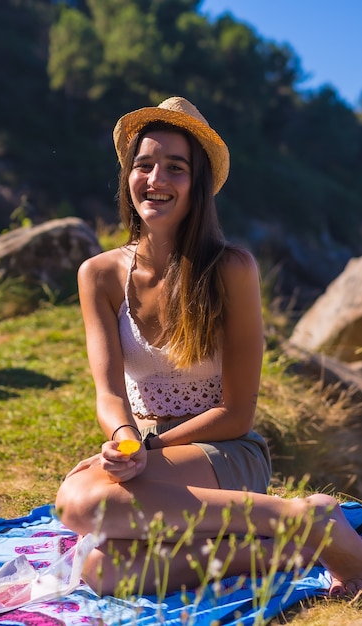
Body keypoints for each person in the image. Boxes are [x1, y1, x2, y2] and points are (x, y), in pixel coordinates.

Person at [56, 96, 362, 598]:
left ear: (198, 185)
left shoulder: (231, 270)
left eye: (175, 168)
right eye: (144, 165)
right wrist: (124, 440)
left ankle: (294, 515)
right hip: (146, 452)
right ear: (127, 177)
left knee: (80, 503)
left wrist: (148, 449)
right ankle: (296, 539)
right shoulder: (99, 274)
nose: (155, 179)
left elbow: (236, 414)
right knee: (101, 570)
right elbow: (108, 393)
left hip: (224, 451)